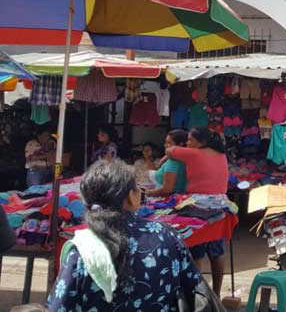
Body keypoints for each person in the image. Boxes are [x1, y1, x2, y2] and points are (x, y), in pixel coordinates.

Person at [47, 159, 202, 311]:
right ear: (130, 196)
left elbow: (59, 306)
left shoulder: (82, 249)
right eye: (138, 188)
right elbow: (195, 290)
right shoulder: (168, 236)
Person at [166, 127, 229, 296]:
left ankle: (198, 296)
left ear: (201, 142)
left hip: (198, 209)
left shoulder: (193, 154)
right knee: (217, 251)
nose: (187, 144)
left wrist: (168, 153)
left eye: (190, 140)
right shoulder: (221, 155)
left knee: (197, 251)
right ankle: (216, 294)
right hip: (221, 207)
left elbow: (170, 150)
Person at [145, 130, 188, 197]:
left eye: (169, 143)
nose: (165, 145)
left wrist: (148, 193)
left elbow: (167, 190)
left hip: (169, 198)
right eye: (165, 142)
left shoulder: (173, 162)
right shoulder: (185, 158)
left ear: (180, 144)